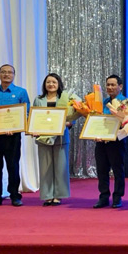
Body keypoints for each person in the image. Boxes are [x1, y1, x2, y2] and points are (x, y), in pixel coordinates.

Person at [0, 64, 30, 208]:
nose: (6, 75)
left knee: (13, 166)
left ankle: (15, 195)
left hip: (13, 137)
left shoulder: (21, 92)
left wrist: (15, 127)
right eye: (3, 72)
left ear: (14, 75)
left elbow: (26, 113)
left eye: (10, 72)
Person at [32, 73, 75, 206]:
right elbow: (34, 118)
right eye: (48, 82)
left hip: (61, 138)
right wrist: (33, 129)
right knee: (45, 167)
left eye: (54, 82)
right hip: (43, 137)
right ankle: (47, 195)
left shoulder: (65, 98)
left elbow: (71, 117)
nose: (51, 84)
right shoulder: (38, 99)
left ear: (58, 84)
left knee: (61, 167)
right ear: (45, 84)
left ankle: (58, 195)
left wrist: (69, 123)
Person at [93, 74, 126, 209]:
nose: (110, 87)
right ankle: (104, 197)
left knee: (118, 170)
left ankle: (117, 197)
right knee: (102, 170)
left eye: (113, 85)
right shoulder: (101, 102)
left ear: (120, 86)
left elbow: (126, 123)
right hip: (101, 142)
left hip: (116, 141)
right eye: (108, 85)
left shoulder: (126, 103)